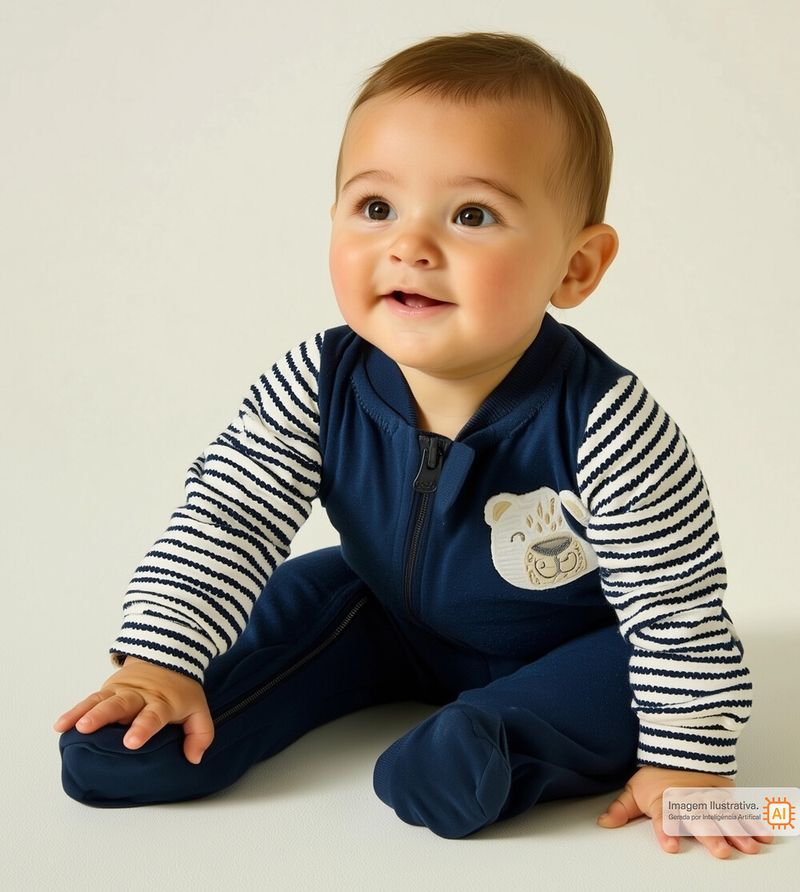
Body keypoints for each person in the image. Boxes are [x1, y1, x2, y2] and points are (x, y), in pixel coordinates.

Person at [54, 32, 766, 857]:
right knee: (132, 740)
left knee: (494, 746)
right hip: (383, 611)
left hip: (571, 646)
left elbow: (676, 604)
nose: (411, 246)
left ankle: (487, 740)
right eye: (376, 208)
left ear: (575, 267)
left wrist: (689, 762)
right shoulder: (320, 379)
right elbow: (227, 517)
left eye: (472, 215)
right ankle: (168, 703)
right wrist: (160, 660)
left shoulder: (607, 421)